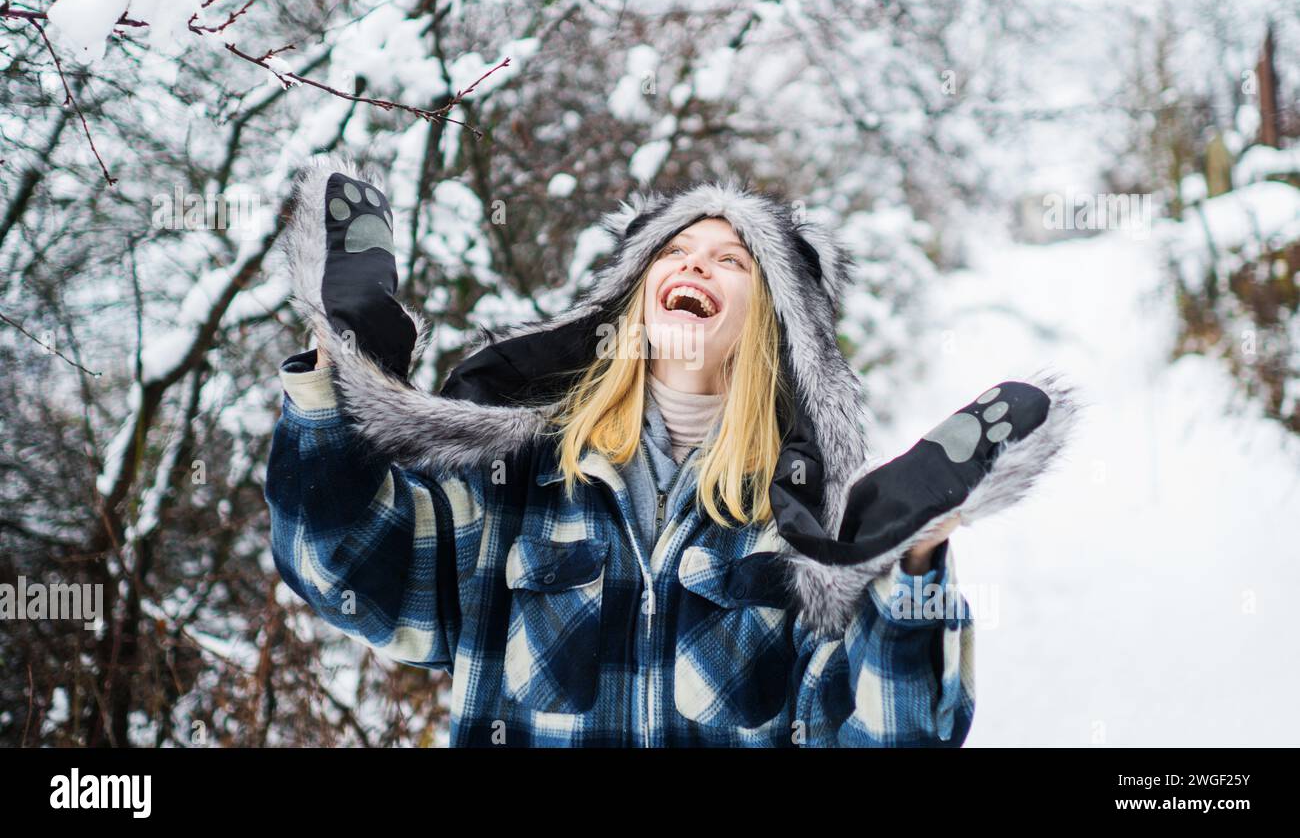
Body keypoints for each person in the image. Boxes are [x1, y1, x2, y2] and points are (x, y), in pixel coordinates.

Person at [265, 155, 981, 747]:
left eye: (732, 261)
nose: (696, 266)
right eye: (673, 252)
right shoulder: (519, 482)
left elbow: (882, 736)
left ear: (772, 325)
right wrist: (339, 372)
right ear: (631, 301)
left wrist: (915, 567)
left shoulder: (793, 532)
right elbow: (351, 567)